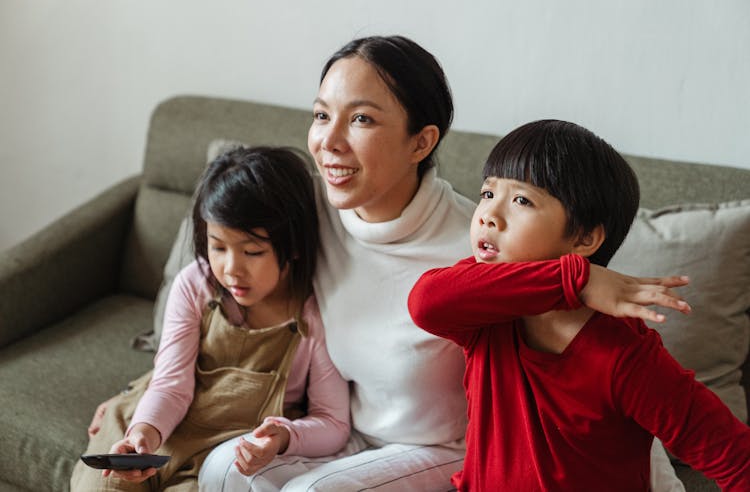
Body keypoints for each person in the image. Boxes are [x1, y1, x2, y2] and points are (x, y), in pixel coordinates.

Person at [196, 36, 691, 491]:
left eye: (362, 119)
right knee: (225, 471)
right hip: (347, 434)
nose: (330, 141)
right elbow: (218, 268)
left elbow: (595, 375)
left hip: (444, 450)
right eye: (322, 115)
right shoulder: (314, 215)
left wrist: (581, 280)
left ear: (421, 141)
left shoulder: (485, 243)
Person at [408, 119, 750, 491]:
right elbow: (425, 302)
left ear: (585, 238)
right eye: (488, 194)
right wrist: (578, 280)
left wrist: (572, 278)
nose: (489, 214)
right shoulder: (486, 308)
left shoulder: (625, 354)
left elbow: (734, 457)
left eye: (522, 200)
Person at [72, 146, 350, 491]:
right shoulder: (196, 283)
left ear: (293, 245)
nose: (232, 269)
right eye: (218, 247)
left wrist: (283, 437)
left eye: (252, 251)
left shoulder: (315, 312)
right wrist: (143, 433)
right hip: (158, 419)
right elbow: (171, 385)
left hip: (223, 452)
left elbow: (334, 422)